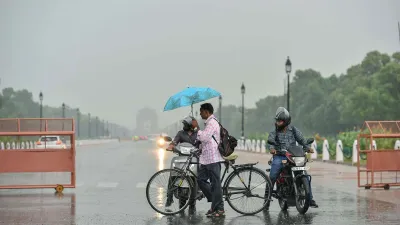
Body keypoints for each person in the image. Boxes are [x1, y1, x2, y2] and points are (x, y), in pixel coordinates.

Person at [264, 106, 318, 211]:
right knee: (273, 175)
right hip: (280, 156)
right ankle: (266, 200)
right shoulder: (274, 130)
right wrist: (272, 148)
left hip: (293, 155)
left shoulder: (293, 129)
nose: (278, 123)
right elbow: (270, 140)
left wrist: (307, 147)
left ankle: (309, 198)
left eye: (280, 121)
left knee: (304, 174)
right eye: (277, 121)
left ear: (286, 121)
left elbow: (302, 140)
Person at [191, 103, 225, 217]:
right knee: (200, 180)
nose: (200, 113)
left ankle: (219, 209)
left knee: (216, 184)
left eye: (201, 111)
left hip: (213, 158)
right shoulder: (208, 123)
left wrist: (196, 128)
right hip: (206, 159)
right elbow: (206, 140)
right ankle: (215, 203)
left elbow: (204, 138)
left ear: (206, 112)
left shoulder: (212, 123)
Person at [165, 116, 198, 212]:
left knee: (195, 178)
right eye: (184, 124)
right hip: (181, 159)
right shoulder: (180, 133)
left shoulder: (198, 134)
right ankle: (169, 197)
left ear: (190, 125)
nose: (184, 126)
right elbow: (174, 142)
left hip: (193, 159)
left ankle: (193, 202)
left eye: (186, 124)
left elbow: (201, 144)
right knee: (173, 175)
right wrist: (171, 146)